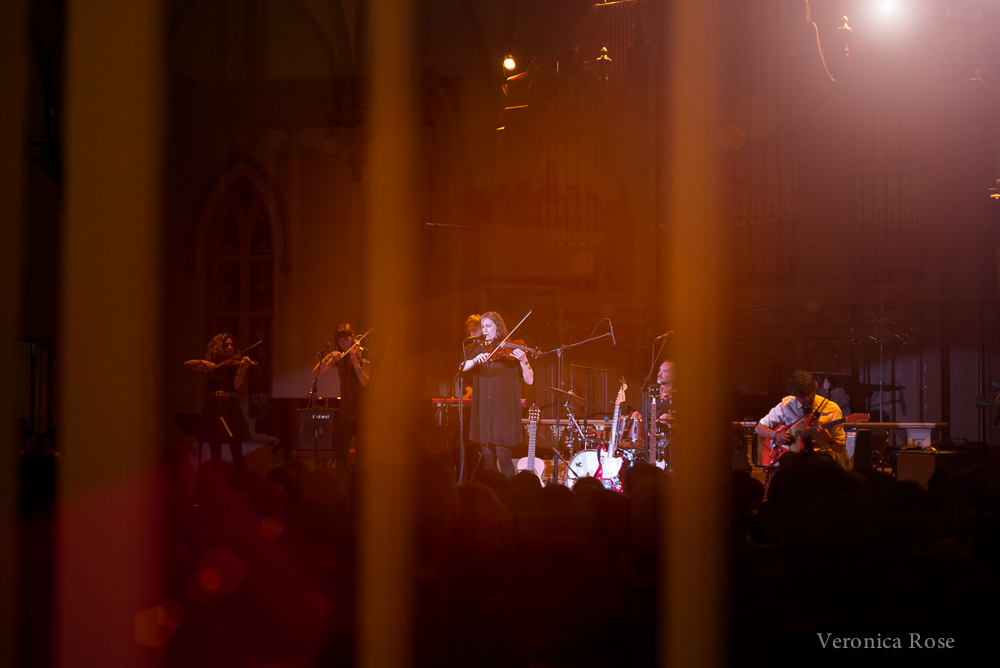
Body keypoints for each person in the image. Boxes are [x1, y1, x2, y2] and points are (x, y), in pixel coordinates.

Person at [461, 311, 533, 477]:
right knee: (487, 457)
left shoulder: (510, 349)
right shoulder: (477, 348)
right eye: (483, 326)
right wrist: (475, 360)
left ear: (498, 328)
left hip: (503, 412)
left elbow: (529, 380)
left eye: (488, 326)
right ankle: (492, 494)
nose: (484, 330)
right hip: (484, 412)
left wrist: (523, 360)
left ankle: (508, 494)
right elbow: (462, 367)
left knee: (503, 456)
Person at [183, 333, 254, 470]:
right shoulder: (212, 364)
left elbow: (236, 386)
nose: (229, 347)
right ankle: (216, 480)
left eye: (231, 345)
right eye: (226, 345)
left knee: (237, 451)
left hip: (231, 407)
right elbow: (186, 364)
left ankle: (240, 480)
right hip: (214, 406)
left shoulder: (236, 365)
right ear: (218, 347)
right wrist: (204, 362)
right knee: (215, 451)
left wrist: (243, 369)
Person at [755, 370, 849, 469]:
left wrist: (829, 440)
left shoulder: (831, 408)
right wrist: (777, 435)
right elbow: (759, 428)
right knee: (788, 461)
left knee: (824, 463)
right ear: (794, 395)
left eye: (809, 393)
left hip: (820, 454)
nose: (807, 398)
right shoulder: (786, 406)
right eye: (801, 396)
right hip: (793, 455)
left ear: (814, 389)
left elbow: (840, 448)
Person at [313, 323, 370, 471]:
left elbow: (365, 382)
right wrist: (328, 357)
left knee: (362, 455)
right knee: (341, 454)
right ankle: (342, 484)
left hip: (363, 412)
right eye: (340, 341)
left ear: (352, 338)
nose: (344, 344)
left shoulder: (363, 355)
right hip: (345, 411)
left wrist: (357, 365)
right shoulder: (339, 359)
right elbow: (316, 372)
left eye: (346, 339)